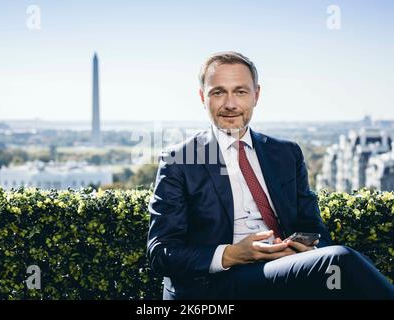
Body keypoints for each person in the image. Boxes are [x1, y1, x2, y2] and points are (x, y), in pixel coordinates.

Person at [146, 51, 394, 300]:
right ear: (203, 97)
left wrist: (308, 247)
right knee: (340, 260)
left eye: (241, 92)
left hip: (282, 271)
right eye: (218, 92)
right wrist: (233, 254)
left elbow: (314, 228)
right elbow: (160, 252)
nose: (230, 104)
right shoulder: (180, 160)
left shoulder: (286, 153)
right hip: (214, 285)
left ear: (257, 95)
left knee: (337, 267)